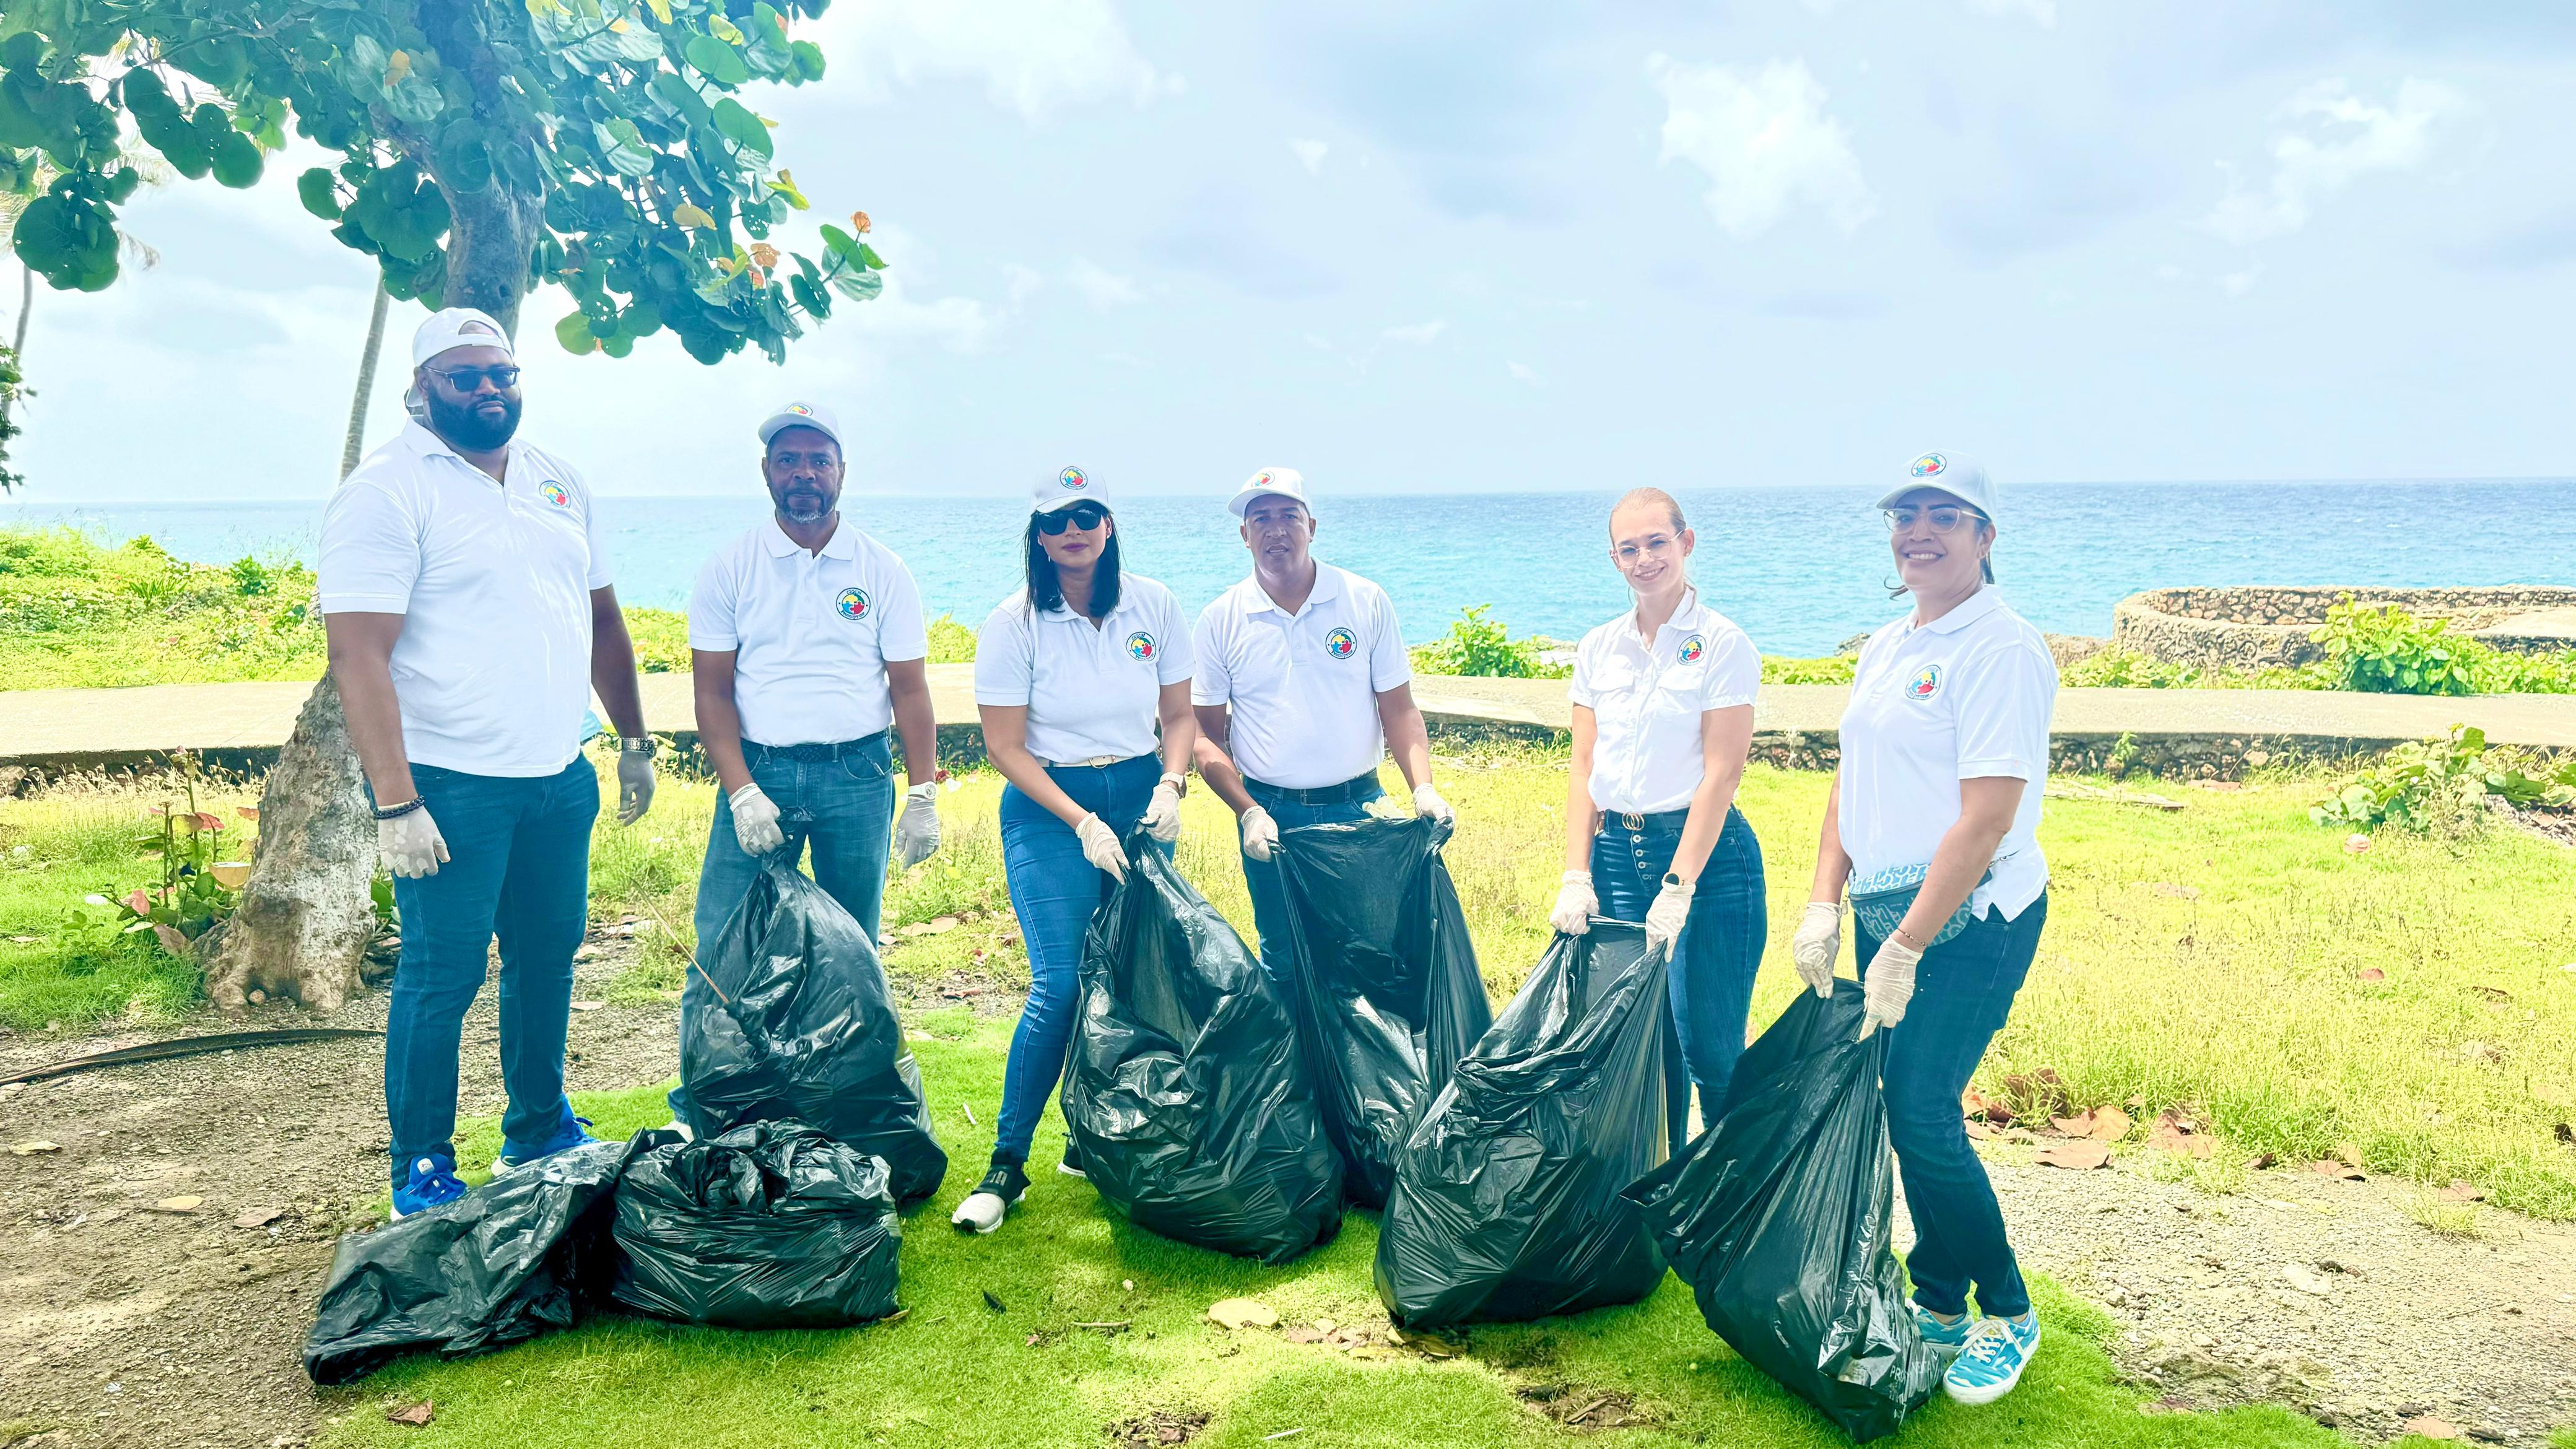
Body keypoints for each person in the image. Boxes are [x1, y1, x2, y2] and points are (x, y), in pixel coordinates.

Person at [320, 307, 658, 1219]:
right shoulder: (387, 489)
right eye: (465, 376)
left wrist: (631, 738)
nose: (488, 389)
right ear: (423, 389)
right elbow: (357, 652)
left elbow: (601, 619)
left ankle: (539, 1129)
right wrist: (396, 803)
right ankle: (421, 1167)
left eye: (501, 374)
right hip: (449, 786)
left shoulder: (555, 479)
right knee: (444, 971)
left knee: (547, 958)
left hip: (557, 775)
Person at [1790, 451, 2058, 1406]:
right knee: (1910, 1111)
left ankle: (2007, 1312)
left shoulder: (2003, 648)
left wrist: (1905, 946)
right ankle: (1938, 1300)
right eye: (1906, 514)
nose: (1920, 531)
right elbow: (1850, 783)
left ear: (1986, 538)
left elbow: (1985, 819)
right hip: (1887, 913)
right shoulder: (1888, 643)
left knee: (1922, 1114)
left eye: (1946, 515)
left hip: (1972, 921)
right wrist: (1827, 900)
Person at [667, 401, 943, 1131]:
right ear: (766, 472)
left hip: (856, 777)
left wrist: (922, 793)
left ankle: (851, 1110)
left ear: (841, 472)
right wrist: (741, 791)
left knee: (853, 947)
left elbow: (910, 690)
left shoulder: (881, 569)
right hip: (761, 774)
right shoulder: (731, 565)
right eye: (788, 461)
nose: (803, 475)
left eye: (818, 461)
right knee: (722, 946)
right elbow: (711, 693)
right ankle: (709, 1113)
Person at [952, 466, 1198, 1234]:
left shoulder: (1151, 603)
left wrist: (1170, 785)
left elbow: (1179, 714)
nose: (1073, 531)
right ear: (1038, 536)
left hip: (1137, 794)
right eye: (1057, 521)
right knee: (1060, 982)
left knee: (1132, 976)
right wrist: (1081, 823)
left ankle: (1092, 1140)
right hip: (1047, 806)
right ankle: (1006, 1164)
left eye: (1087, 515)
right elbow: (1002, 745)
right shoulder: (1014, 620)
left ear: (1109, 525)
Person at [1549, 487, 1765, 1154]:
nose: (1644, 559)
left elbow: (1720, 776)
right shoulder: (1598, 647)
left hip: (1706, 861)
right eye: (1628, 548)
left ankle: (1734, 1203)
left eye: (1656, 543)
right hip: (1615, 857)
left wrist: (1678, 886)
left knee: (1709, 1049)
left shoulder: (1722, 644)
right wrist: (1575, 872)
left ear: (1686, 543)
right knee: (1641, 1041)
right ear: (1613, 559)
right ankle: (1660, 1197)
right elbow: (1584, 766)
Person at [1190, 468, 1451, 981]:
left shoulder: (1364, 599)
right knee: (1287, 960)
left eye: (1289, 515)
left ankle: (1364, 1064)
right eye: (1259, 518)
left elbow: (1398, 708)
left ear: (1313, 525)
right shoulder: (1221, 619)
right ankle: (1302, 1064)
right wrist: (1247, 813)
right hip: (1274, 818)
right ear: (1244, 535)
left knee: (1370, 955)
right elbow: (1204, 737)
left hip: (1361, 810)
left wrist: (1423, 790)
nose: (1275, 529)